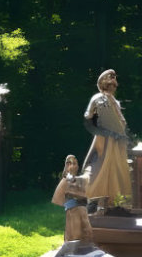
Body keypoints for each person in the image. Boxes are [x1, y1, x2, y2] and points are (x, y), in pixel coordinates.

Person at [82, 69, 133, 206]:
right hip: (104, 138)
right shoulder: (97, 98)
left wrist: (125, 136)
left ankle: (114, 200)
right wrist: (98, 132)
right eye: (111, 83)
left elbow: (121, 120)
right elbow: (88, 118)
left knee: (117, 168)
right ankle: (93, 198)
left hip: (118, 139)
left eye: (114, 83)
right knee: (100, 167)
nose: (114, 85)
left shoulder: (115, 101)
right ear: (104, 84)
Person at [51, 154, 93, 247]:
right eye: (69, 163)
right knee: (74, 236)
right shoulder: (66, 180)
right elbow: (59, 197)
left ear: (78, 166)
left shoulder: (78, 179)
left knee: (87, 234)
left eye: (74, 163)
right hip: (73, 211)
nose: (72, 166)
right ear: (66, 166)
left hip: (82, 210)